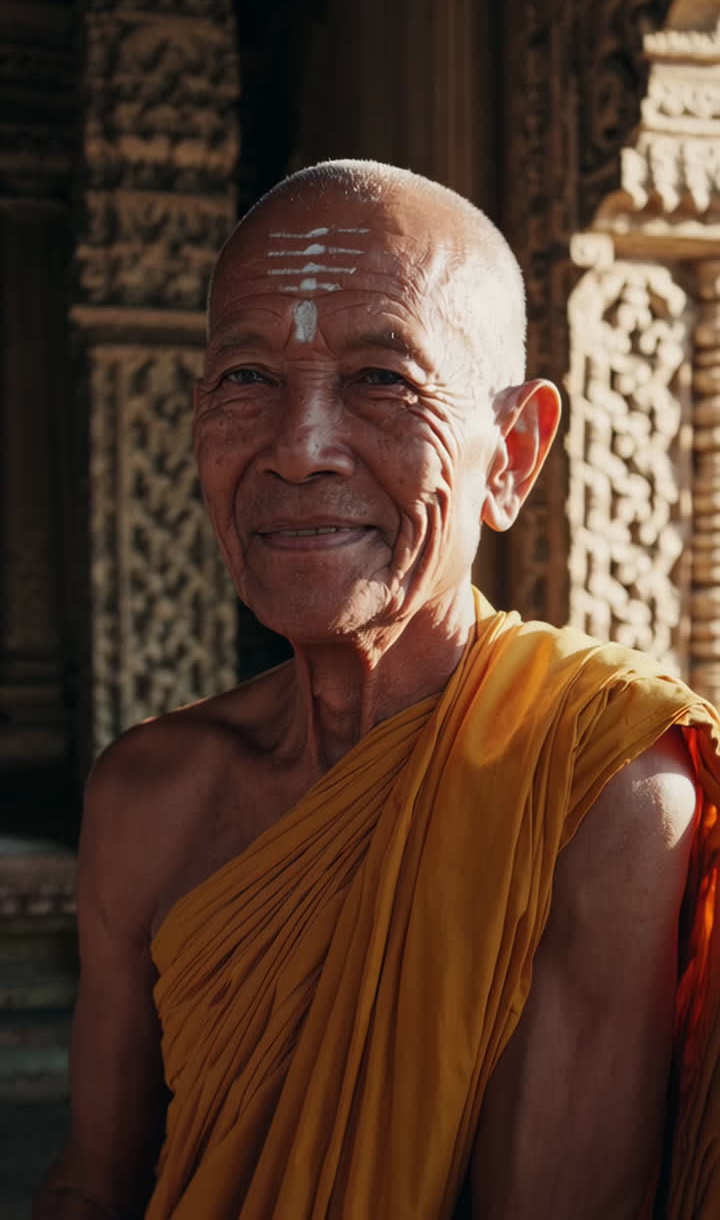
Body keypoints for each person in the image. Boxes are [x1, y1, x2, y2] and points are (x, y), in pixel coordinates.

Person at [35, 160, 720, 1220]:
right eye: (247, 378)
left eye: (382, 378)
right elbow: (92, 1181)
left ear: (513, 456)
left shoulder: (602, 788)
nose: (298, 449)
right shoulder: (147, 795)